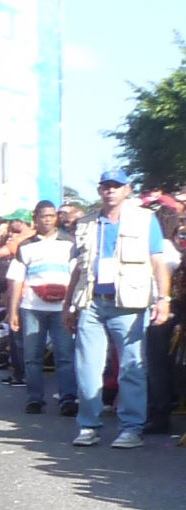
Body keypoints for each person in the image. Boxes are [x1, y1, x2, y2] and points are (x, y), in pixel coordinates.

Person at [66, 167, 177, 449]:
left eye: (117, 185)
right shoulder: (87, 223)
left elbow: (158, 264)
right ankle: (88, 426)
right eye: (106, 185)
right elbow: (78, 269)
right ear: (100, 190)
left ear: (127, 190)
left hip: (129, 303)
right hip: (92, 301)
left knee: (131, 368)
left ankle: (131, 428)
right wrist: (68, 306)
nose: (110, 190)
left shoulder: (144, 220)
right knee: (87, 367)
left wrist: (163, 300)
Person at [6, 203, 78, 414]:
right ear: (35, 218)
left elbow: (76, 276)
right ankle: (35, 398)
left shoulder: (70, 244)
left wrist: (72, 307)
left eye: (51, 216)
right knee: (32, 356)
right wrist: (13, 312)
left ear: (56, 218)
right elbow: (17, 281)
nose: (47, 220)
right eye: (43, 216)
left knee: (65, 355)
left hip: (61, 309)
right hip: (32, 308)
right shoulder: (25, 246)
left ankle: (68, 399)